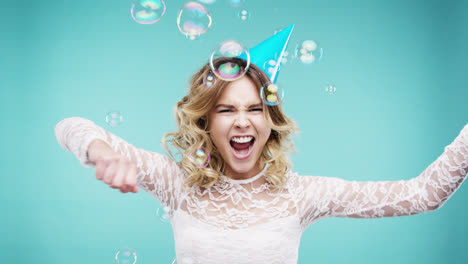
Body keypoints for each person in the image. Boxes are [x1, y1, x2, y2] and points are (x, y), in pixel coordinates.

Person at [55, 27, 468, 264]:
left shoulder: (303, 194)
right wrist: (103, 152)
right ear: (205, 121)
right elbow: (70, 126)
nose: (242, 121)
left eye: (255, 108)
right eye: (225, 110)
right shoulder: (175, 181)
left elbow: (424, 194)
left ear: (270, 121)